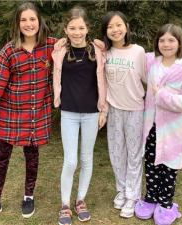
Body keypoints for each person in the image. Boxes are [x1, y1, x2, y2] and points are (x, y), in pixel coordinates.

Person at [0, 2, 57, 222]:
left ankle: (28, 197)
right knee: (1, 158)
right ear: (17, 23)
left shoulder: (52, 46)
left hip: (36, 114)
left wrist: (100, 45)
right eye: (23, 20)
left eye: (32, 19)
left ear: (39, 21)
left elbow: (77, 42)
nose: (28, 24)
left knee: (32, 157)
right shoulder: (9, 51)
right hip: (9, 115)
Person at [134, 24, 182, 225]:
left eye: (171, 40)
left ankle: (165, 203)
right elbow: (130, 53)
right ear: (157, 42)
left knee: (169, 166)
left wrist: (162, 95)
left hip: (173, 130)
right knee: (152, 163)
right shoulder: (151, 62)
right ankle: (151, 198)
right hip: (151, 126)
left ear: (180, 42)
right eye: (162, 40)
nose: (166, 44)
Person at [52, 6, 107, 225]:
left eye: (81, 28)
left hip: (92, 113)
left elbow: (106, 82)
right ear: (66, 29)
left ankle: (80, 200)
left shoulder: (98, 51)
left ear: (88, 28)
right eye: (72, 28)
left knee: (86, 158)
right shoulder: (60, 51)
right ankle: (65, 204)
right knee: (71, 160)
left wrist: (104, 110)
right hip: (69, 112)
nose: (77, 32)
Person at [101, 11, 146, 218]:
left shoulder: (138, 52)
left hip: (136, 110)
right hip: (115, 110)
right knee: (117, 153)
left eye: (118, 25)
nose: (115, 30)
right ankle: (121, 190)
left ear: (126, 26)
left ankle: (133, 195)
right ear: (106, 31)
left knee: (134, 154)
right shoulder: (105, 53)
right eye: (110, 27)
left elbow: (148, 80)